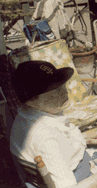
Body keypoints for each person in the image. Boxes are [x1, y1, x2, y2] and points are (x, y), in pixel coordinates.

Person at [10, 60, 92, 188]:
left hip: (73, 166)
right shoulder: (45, 137)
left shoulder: (26, 116)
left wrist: (88, 137)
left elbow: (58, 146)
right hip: (79, 178)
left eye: (62, 85)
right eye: (55, 91)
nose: (65, 92)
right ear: (31, 101)